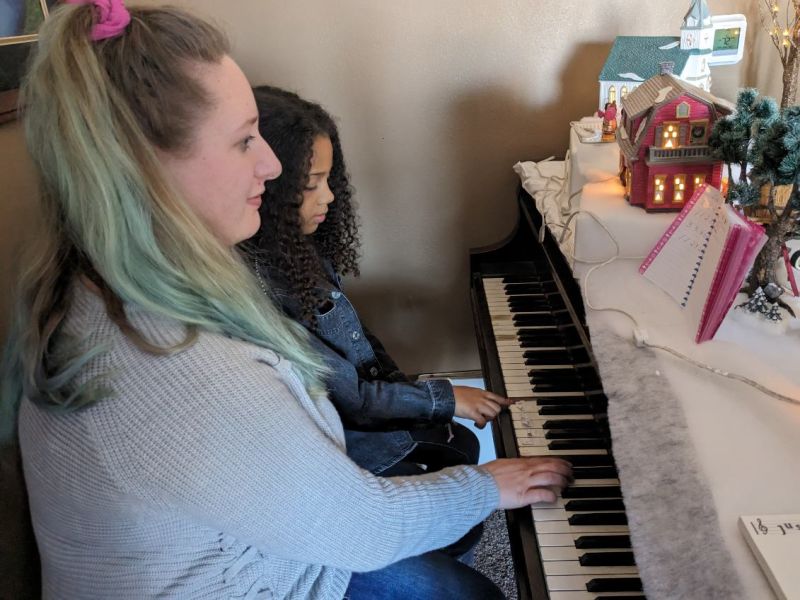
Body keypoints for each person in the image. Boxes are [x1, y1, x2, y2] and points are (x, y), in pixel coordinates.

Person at [0, 2, 572, 599]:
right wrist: (486, 485)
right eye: (245, 141)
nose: (271, 165)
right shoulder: (183, 371)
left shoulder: (85, 280)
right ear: (144, 168)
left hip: (263, 542)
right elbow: (362, 528)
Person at [250, 85, 510, 481]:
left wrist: (409, 388)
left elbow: (359, 342)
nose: (330, 197)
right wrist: (446, 399)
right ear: (269, 187)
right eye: (311, 184)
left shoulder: (300, 250)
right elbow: (352, 399)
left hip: (364, 413)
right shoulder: (262, 288)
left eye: (329, 179)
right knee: (458, 460)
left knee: (463, 444)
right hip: (343, 440)